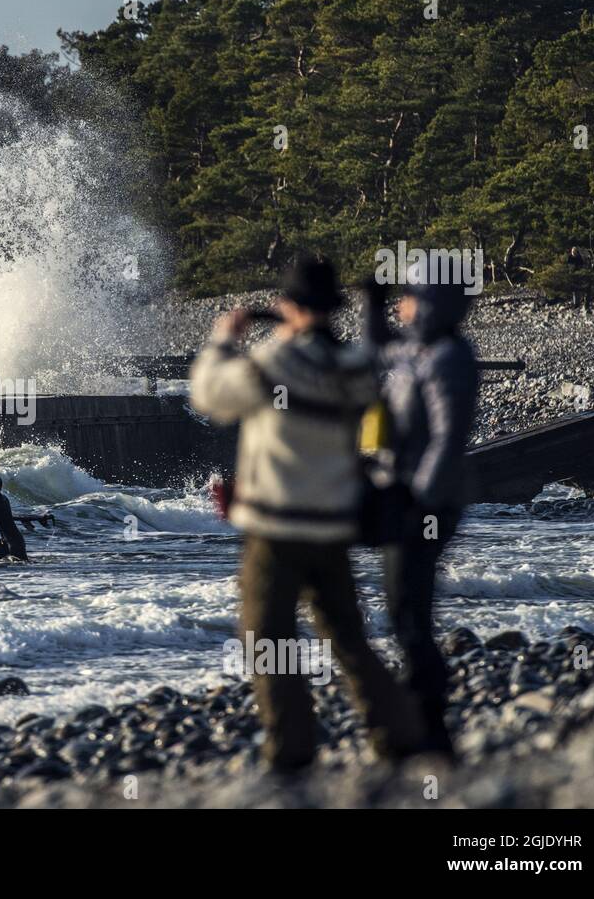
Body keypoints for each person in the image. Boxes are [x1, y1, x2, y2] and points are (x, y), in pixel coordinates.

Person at [190, 256, 424, 772]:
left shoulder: (275, 362)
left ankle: (292, 752)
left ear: (290, 308)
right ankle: (400, 736)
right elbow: (368, 365)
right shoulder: (355, 369)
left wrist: (224, 339)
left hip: (276, 529)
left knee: (268, 641)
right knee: (348, 640)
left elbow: (209, 395)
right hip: (333, 526)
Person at [364, 278, 479, 757]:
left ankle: (428, 726)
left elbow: (448, 438)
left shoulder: (450, 358)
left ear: (432, 304)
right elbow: (377, 355)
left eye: (409, 298)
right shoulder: (421, 351)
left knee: (410, 610)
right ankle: (423, 721)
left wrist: (420, 501)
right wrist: (372, 307)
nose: (402, 306)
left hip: (427, 506)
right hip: (406, 499)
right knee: (403, 609)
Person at [566, 246, 591, 311]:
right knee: (574, 290)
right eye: (573, 251)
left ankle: (580, 302)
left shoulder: (579, 257)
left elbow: (581, 265)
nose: (574, 253)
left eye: (575, 252)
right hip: (572, 275)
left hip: (579, 275)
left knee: (579, 289)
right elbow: (568, 266)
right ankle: (575, 303)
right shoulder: (569, 257)